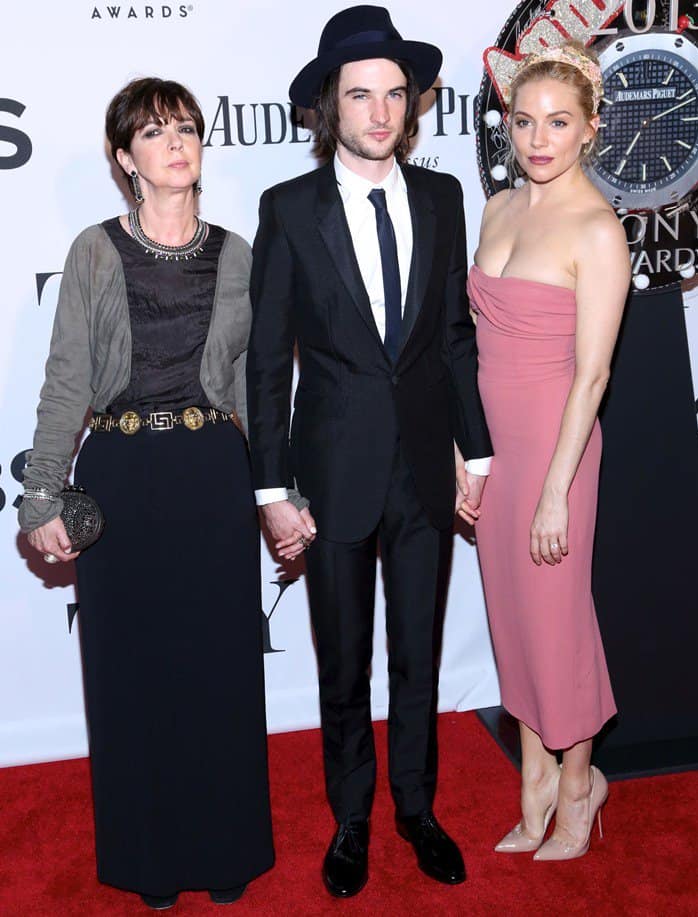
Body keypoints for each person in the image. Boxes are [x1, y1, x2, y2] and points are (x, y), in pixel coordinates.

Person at [246, 5, 492, 898]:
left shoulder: (443, 196)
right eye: (362, 95)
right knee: (343, 660)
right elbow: (269, 362)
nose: (382, 111)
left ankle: (417, 809)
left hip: (428, 467)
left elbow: (456, 338)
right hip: (333, 472)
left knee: (418, 657)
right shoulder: (289, 209)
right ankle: (351, 819)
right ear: (328, 106)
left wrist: (482, 455)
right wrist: (272, 488)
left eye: (396, 93)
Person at [19, 78, 275, 909]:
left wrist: (280, 488)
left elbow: (255, 387)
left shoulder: (238, 253)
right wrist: (41, 498)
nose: (177, 142)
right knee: (133, 677)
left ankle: (226, 848)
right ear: (126, 158)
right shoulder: (96, 250)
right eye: (156, 132)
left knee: (220, 669)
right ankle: (151, 860)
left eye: (188, 127)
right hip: (122, 475)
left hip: (211, 473)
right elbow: (65, 384)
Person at [466, 43, 629, 860]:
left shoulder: (597, 228)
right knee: (514, 619)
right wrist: (473, 456)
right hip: (498, 451)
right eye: (524, 121)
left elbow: (595, 371)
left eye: (558, 123)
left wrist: (557, 488)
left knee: (558, 619)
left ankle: (577, 784)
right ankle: (531, 778)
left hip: (558, 449)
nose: (538, 138)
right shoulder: (497, 209)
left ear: (590, 129)